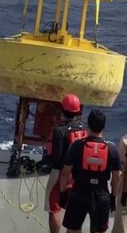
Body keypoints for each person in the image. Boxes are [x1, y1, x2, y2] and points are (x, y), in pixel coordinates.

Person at [59, 109, 121, 233]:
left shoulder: (76, 146)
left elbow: (65, 172)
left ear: (88, 125)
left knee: (73, 229)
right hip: (101, 194)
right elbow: (116, 178)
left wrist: (62, 193)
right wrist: (113, 197)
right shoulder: (112, 149)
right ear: (103, 126)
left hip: (78, 193)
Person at [45, 93, 87, 233]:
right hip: (78, 175)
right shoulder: (84, 129)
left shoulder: (59, 131)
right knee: (74, 209)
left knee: (54, 208)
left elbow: (56, 158)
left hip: (61, 173)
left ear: (62, 110)